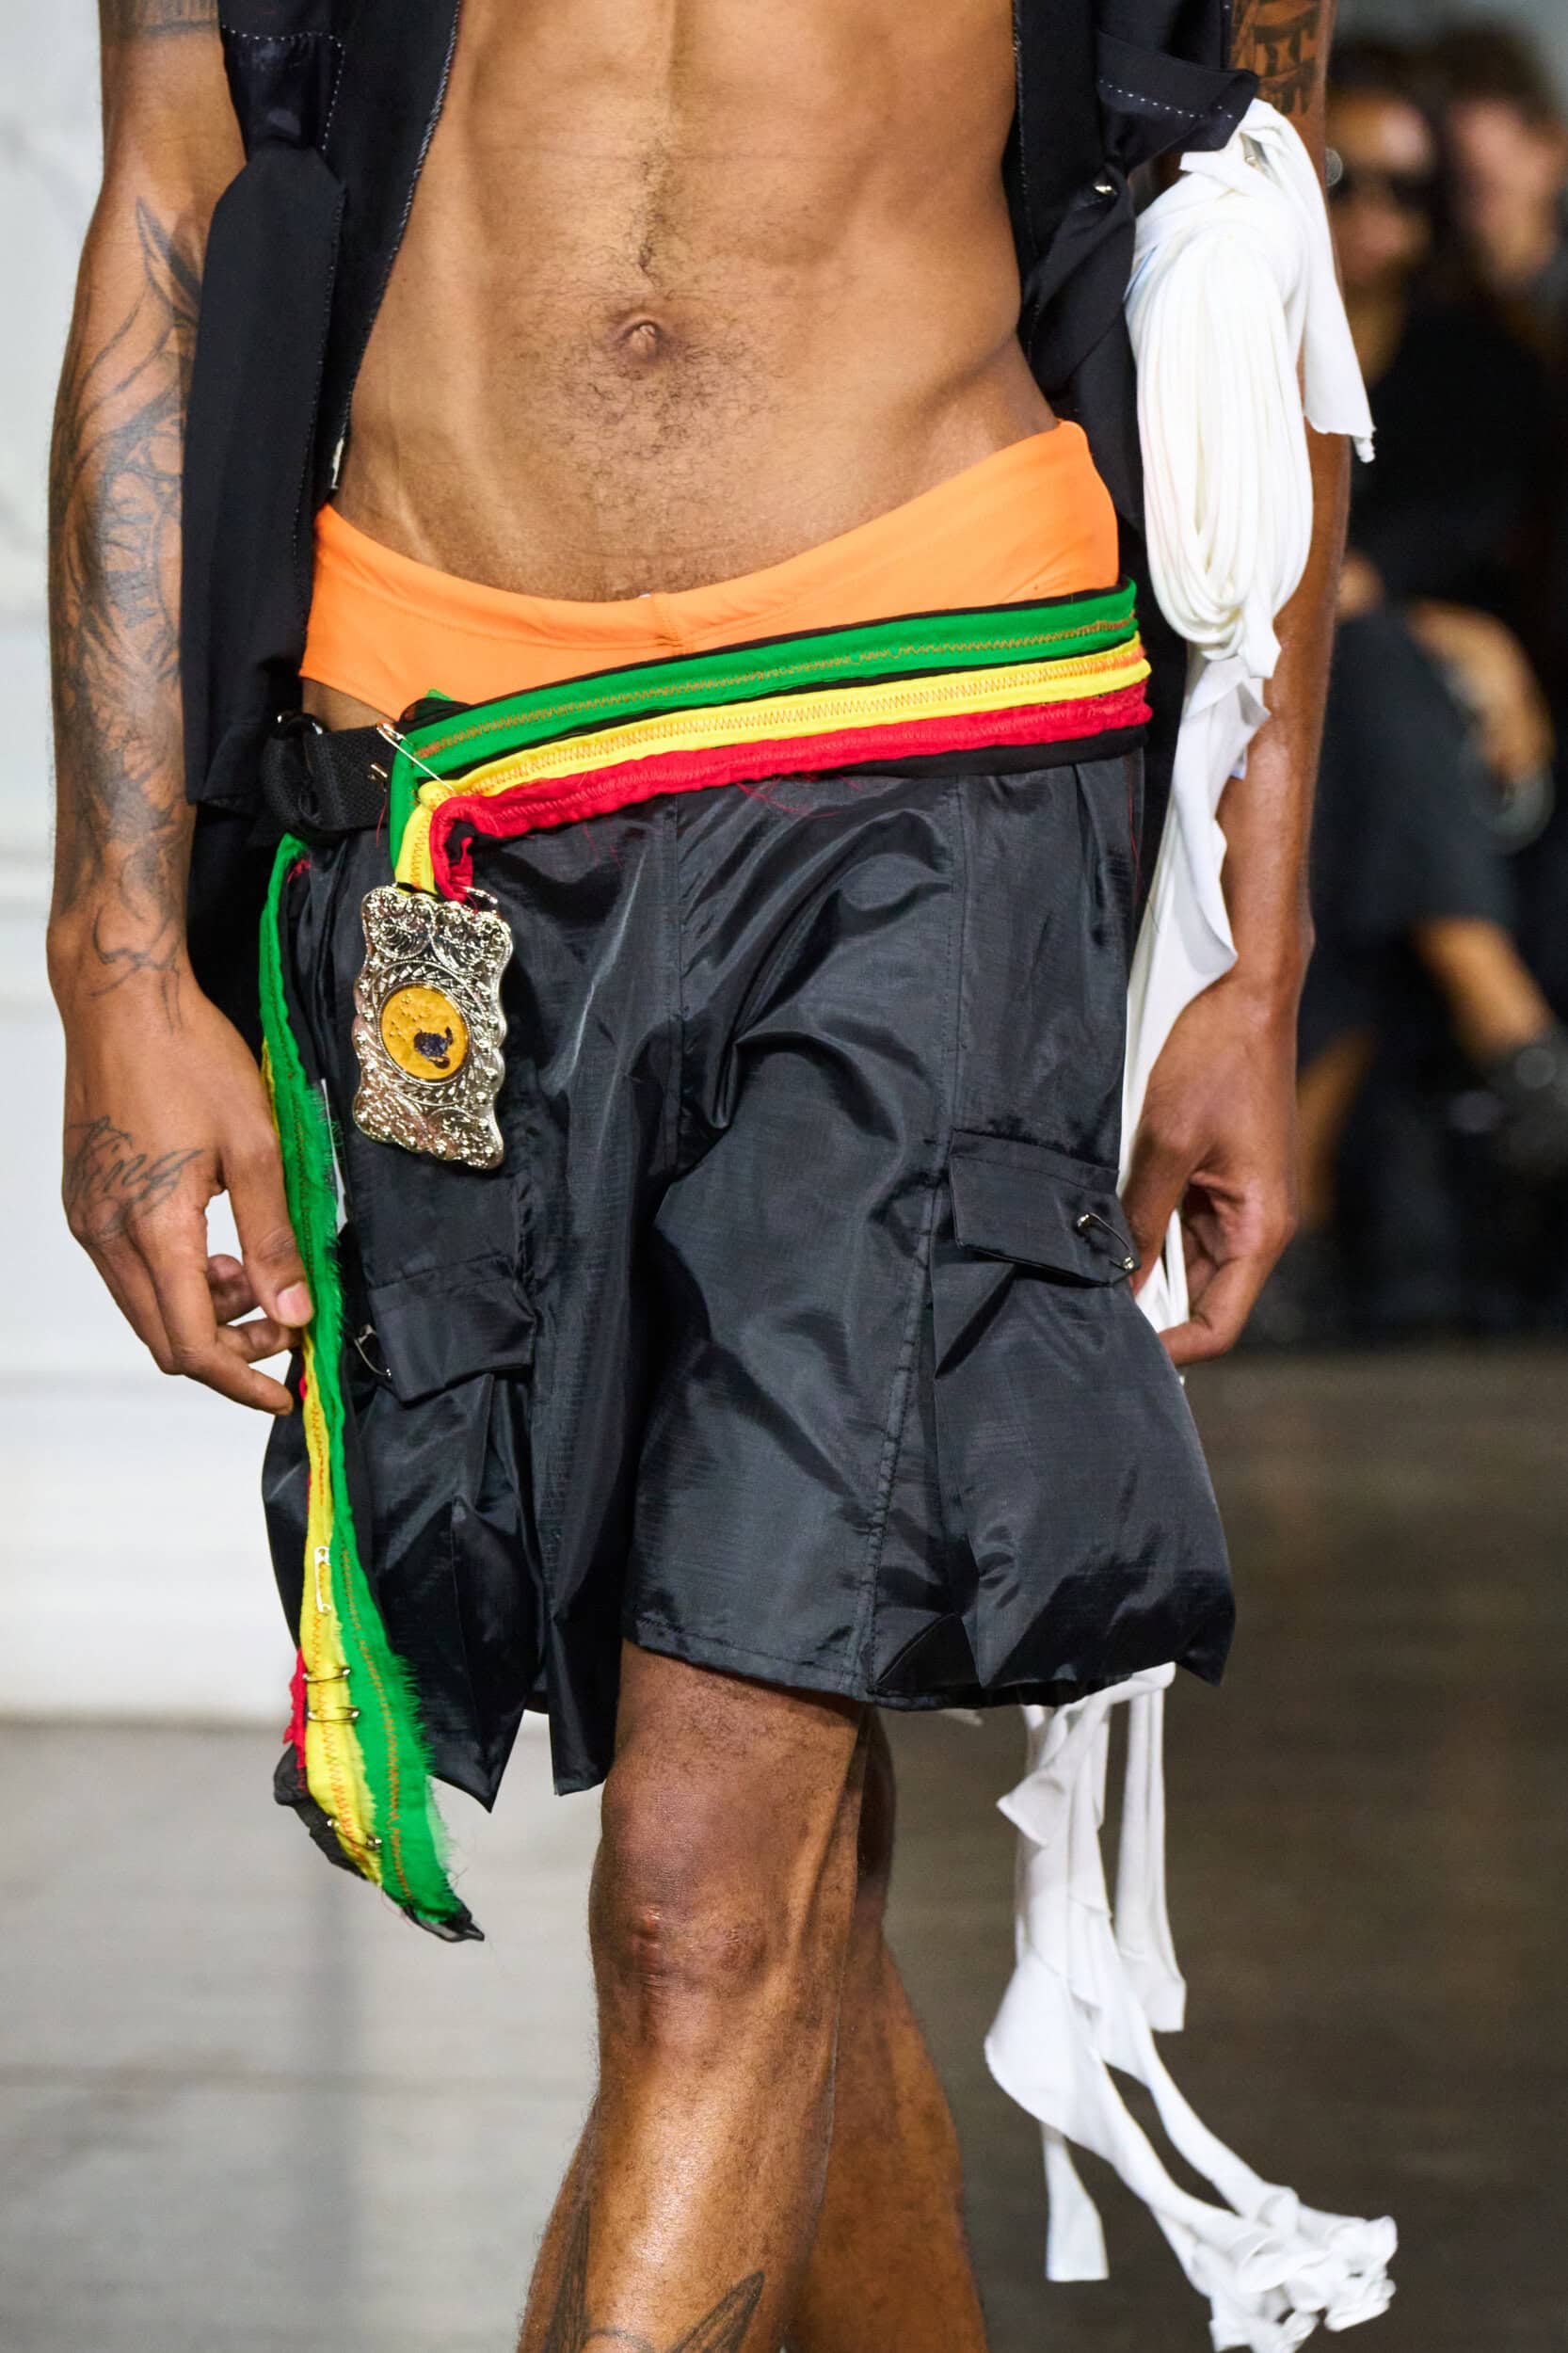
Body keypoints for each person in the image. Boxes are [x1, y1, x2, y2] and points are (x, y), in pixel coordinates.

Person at [46, 3, 1347, 2345]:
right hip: (444, 791)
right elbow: (164, 202)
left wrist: (1249, 963)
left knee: (693, 1893)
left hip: (924, 758)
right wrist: (117, 945)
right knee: (751, 1831)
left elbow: (1252, 236)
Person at [1262, 39, 1568, 1341]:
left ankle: (1297, 1208)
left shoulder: (1475, 369)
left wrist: (1470, 640)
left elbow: (1443, 553)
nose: (1375, 216)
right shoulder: (1230, 347)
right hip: (1278, 719)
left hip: (1449, 754)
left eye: (1409, 189)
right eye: (1344, 178)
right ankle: (1508, 1030)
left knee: (1371, 703)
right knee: (1365, 691)